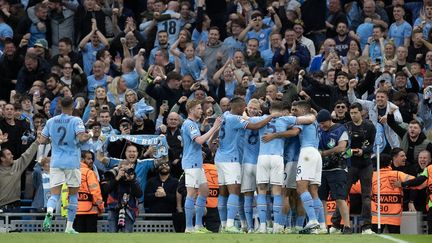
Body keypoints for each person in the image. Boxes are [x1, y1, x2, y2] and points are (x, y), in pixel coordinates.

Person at [215, 97, 277, 233]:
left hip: (244, 162)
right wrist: (270, 116)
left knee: (255, 195)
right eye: (249, 108)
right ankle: (251, 226)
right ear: (244, 108)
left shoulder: (227, 115)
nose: (250, 110)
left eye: (255, 108)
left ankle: (259, 225)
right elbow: (256, 125)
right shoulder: (258, 120)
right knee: (248, 195)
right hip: (244, 162)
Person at [254, 100, 317, 233]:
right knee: (297, 194)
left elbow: (245, 119)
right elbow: (311, 118)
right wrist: (312, 115)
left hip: (290, 160)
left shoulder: (271, 120)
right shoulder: (288, 120)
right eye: (291, 110)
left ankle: (283, 226)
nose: (293, 112)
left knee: (284, 194)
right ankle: (295, 226)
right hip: (295, 159)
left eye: (294, 110)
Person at [39, 97, 91, 234]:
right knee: (73, 196)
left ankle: (49, 212)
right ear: (73, 106)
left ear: (60, 105)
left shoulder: (51, 121)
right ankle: (69, 227)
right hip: (72, 162)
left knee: (54, 195)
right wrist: (90, 134)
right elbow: (81, 138)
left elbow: (41, 140)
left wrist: (52, 139)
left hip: (56, 162)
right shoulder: (76, 120)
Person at [181, 99, 221, 233]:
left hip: (197, 163)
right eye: (198, 108)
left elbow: (202, 142)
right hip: (191, 163)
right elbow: (199, 140)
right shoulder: (189, 124)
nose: (201, 111)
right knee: (191, 194)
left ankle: (198, 225)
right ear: (191, 110)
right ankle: (189, 227)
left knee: (204, 191)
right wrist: (214, 127)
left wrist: (213, 135)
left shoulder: (194, 124)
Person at [316, 109, 352, 234]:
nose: (321, 126)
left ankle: (347, 226)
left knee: (340, 198)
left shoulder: (340, 129)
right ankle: (324, 226)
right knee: (321, 199)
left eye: (323, 123)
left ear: (329, 120)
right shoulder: (319, 130)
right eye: (319, 123)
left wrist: (324, 153)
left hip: (338, 168)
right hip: (322, 169)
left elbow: (341, 147)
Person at [371, 154, 415, 234]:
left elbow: (356, 188)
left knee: (374, 240)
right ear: (390, 162)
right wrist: (402, 184)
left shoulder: (372, 176)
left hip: (377, 216)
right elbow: (415, 181)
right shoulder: (397, 174)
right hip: (394, 217)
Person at [394, 152, 432, 234]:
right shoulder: (428, 169)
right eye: (420, 157)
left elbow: (419, 181)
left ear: (430, 159)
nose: (422, 159)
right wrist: (404, 185)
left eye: (424, 158)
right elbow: (420, 184)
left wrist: (403, 184)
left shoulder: (429, 169)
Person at [103, 159, 143, 233]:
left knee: (126, 235)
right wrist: (117, 178)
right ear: (118, 169)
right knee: (112, 234)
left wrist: (131, 180)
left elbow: (139, 194)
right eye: (122, 169)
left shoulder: (133, 178)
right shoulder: (113, 176)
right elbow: (105, 190)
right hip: (113, 208)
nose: (125, 172)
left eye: (126, 170)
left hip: (129, 209)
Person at [0, 137, 39, 210]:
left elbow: (28, 154)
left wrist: (37, 142)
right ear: (2, 158)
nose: (12, 156)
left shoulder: (17, 165)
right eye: (8, 154)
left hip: (16, 207)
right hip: (1, 208)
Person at [74, 151, 104, 233]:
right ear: (82, 159)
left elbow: (66, 192)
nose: (91, 161)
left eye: (92, 159)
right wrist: (101, 207)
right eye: (89, 159)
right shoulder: (89, 173)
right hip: (90, 211)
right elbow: (95, 192)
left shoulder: (71, 172)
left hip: (75, 210)